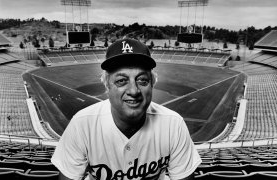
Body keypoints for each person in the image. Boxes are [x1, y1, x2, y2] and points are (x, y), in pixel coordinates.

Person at [51, 38, 201, 180]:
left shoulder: (174, 125)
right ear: (107, 86)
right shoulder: (81, 124)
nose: (134, 91)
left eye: (142, 80)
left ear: (152, 85)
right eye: (121, 81)